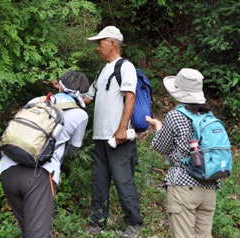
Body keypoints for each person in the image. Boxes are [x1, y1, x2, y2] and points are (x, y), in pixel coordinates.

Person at [0, 70, 90, 238]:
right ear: (83, 93)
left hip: (7, 169)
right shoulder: (80, 115)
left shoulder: (37, 101)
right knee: (38, 234)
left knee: (28, 229)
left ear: (59, 86)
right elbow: (73, 148)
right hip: (39, 176)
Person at [83, 26, 143, 238]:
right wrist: (64, 90)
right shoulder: (101, 72)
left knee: (122, 180)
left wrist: (122, 128)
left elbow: (131, 97)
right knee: (98, 181)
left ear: (112, 43)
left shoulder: (125, 67)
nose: (97, 48)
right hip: (99, 139)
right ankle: (97, 223)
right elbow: (87, 99)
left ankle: (134, 224)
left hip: (118, 138)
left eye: (100, 43)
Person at [145, 68, 220, 238]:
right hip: (210, 186)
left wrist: (158, 126)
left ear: (177, 93)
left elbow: (161, 147)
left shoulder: (175, 116)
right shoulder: (209, 117)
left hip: (183, 186)